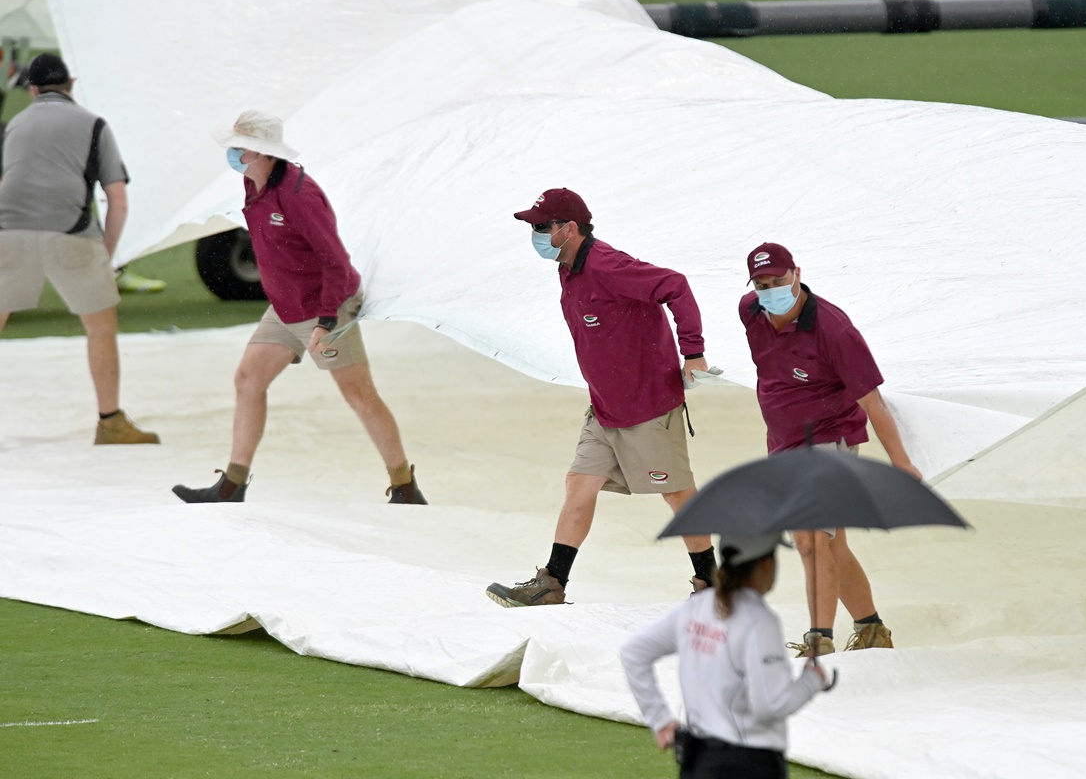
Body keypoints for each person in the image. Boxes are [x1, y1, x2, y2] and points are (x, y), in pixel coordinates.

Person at [172, 110, 425, 504]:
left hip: (328, 304)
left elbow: (336, 263)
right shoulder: (252, 183)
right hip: (286, 306)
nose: (234, 155)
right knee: (248, 379)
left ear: (263, 153)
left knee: (358, 393)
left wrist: (326, 322)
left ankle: (405, 487)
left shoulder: (299, 195)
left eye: (240, 148)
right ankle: (232, 485)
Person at [485, 188, 714, 606]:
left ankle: (714, 586)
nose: (535, 234)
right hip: (605, 409)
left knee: (678, 495)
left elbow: (675, 286)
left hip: (649, 407)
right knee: (579, 484)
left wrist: (693, 353)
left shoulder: (608, 265)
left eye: (541, 226)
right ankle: (553, 583)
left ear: (569, 229)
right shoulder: (568, 268)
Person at [741, 243, 921, 657]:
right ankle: (872, 628)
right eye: (762, 284)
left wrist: (901, 463)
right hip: (784, 445)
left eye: (779, 281)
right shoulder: (750, 311)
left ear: (797, 273)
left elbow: (872, 401)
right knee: (832, 544)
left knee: (809, 540)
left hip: (829, 441)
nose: (770, 291)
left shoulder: (834, 330)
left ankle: (819, 638)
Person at [0, 53, 159, 445]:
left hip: (8, 229)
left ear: (32, 89)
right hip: (70, 231)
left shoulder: (15, 125)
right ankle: (110, 421)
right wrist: (107, 254)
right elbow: (117, 199)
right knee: (100, 329)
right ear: (70, 84)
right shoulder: (93, 124)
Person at [620, 533, 830, 779]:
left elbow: (633, 653)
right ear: (765, 563)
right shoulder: (759, 621)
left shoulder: (697, 607)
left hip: (697, 760)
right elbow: (771, 705)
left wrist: (660, 720)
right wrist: (812, 680)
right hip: (750, 763)